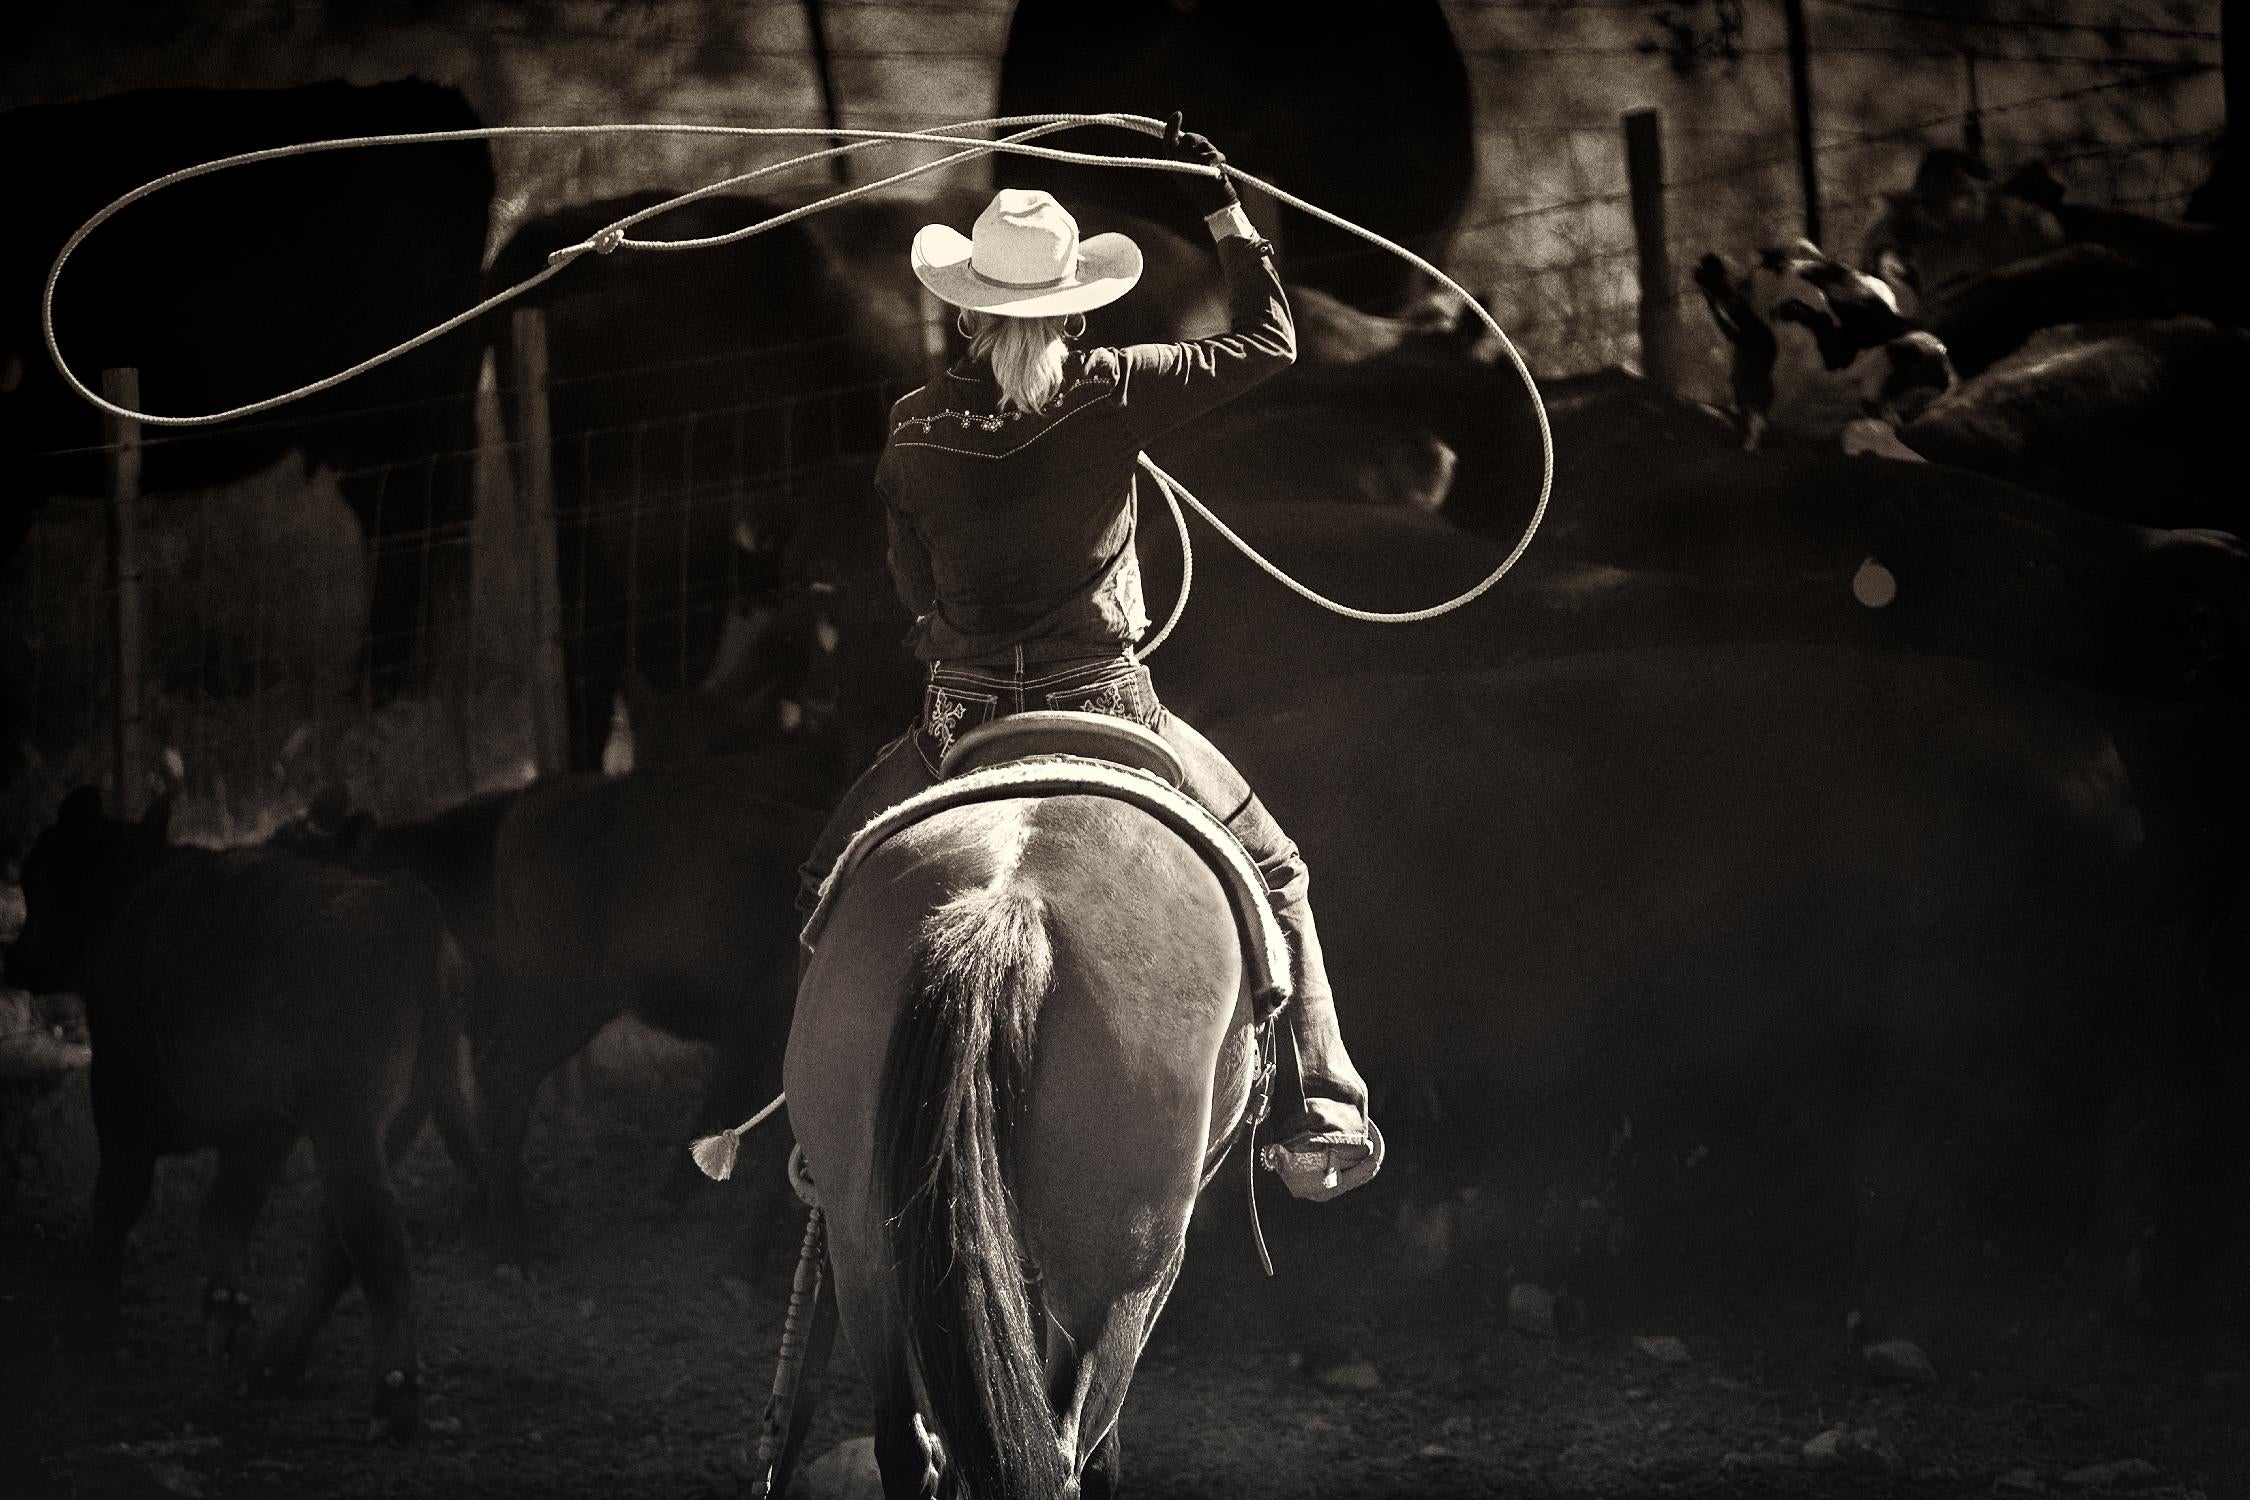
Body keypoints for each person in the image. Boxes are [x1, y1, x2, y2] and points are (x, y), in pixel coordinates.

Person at [796, 118, 1376, 1197]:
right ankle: (1322, 1097)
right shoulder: (1113, 387)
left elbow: (914, 591)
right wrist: (1224, 208)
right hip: (1107, 703)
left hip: (960, 717)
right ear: (1075, 309)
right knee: (1277, 869)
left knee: (828, 878)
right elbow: (1270, 343)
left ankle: (817, 1128)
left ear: (966, 310)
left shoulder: (912, 427)